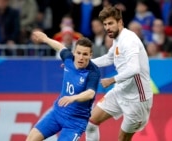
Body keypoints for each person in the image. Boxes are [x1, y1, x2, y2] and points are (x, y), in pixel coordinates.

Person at [85, 6, 153, 141]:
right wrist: (83, 63)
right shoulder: (117, 39)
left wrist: (112, 80)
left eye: (110, 23)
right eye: (105, 24)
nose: (107, 27)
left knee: (122, 139)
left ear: (120, 22)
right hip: (121, 91)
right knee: (91, 123)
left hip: (137, 100)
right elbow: (109, 58)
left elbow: (134, 69)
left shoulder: (129, 41)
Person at [26, 31, 101, 141]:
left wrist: (73, 98)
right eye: (79, 53)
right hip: (57, 113)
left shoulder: (93, 72)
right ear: (74, 52)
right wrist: (46, 39)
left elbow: (90, 93)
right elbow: (60, 47)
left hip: (75, 122)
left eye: (85, 54)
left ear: (90, 55)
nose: (81, 57)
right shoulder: (68, 59)